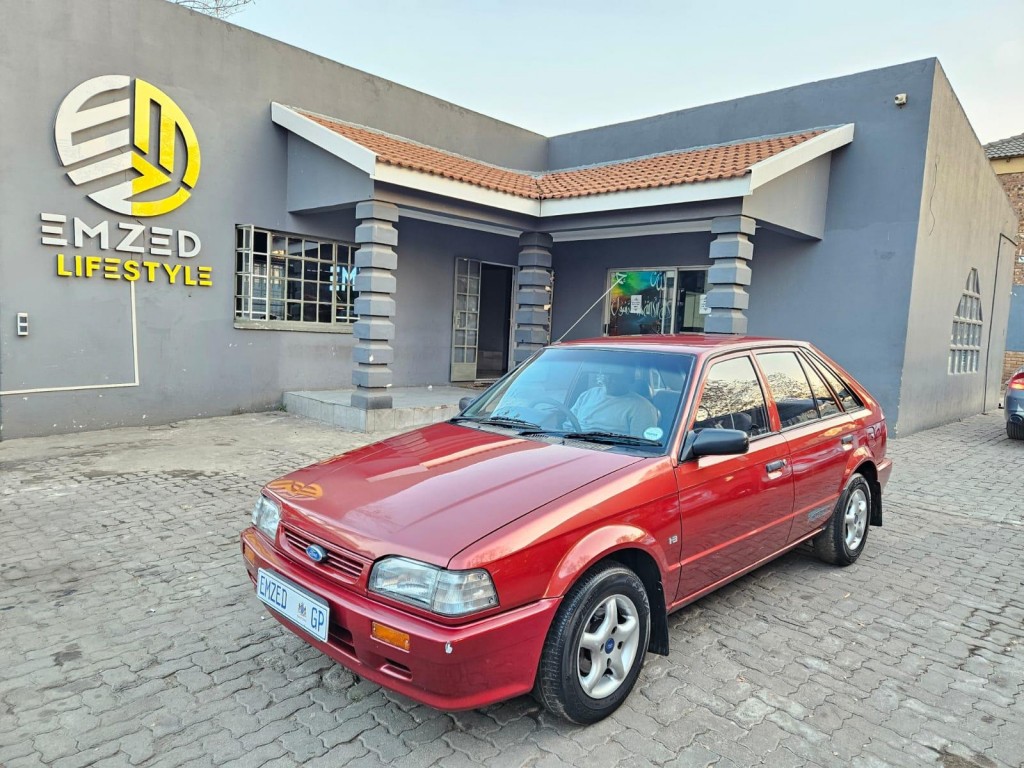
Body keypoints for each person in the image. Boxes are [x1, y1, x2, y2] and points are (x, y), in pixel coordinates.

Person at [571, 365, 659, 437]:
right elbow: (569, 423)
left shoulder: (642, 407)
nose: (610, 380)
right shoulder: (588, 395)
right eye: (607, 374)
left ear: (630, 379)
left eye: (616, 376)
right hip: (574, 445)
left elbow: (641, 446)